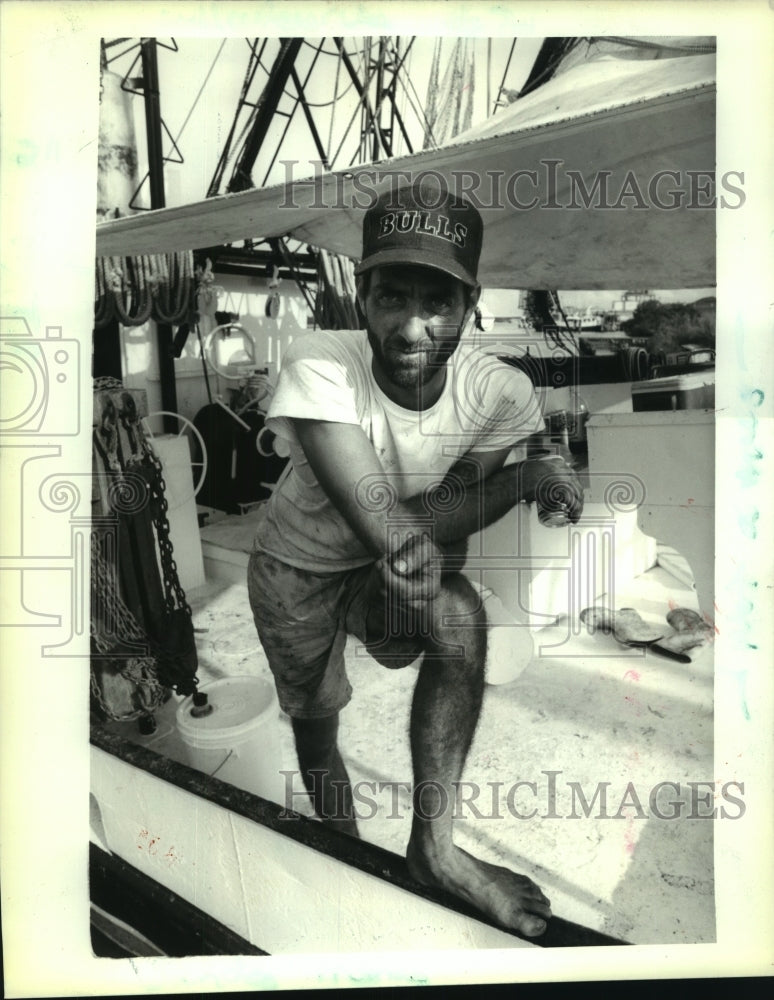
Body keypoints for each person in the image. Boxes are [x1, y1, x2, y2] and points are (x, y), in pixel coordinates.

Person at [248, 177, 583, 938]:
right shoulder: (320, 363)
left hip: (379, 574)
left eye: (438, 304)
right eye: (392, 297)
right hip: (293, 573)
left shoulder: (498, 393)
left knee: (459, 621)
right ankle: (343, 868)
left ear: (470, 309)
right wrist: (512, 485)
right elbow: (390, 525)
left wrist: (529, 473)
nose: (411, 327)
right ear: (361, 298)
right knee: (317, 725)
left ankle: (436, 850)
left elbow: (443, 519)